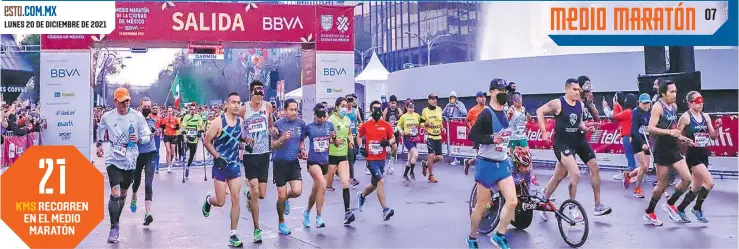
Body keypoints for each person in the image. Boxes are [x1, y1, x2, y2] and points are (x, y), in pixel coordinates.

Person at [536, 78, 612, 220]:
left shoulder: (580, 105)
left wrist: (587, 128)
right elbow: (540, 111)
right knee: (574, 173)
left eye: (578, 90)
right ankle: (571, 206)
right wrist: (544, 131)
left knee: (591, 167)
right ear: (567, 89)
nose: (577, 92)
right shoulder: (558, 103)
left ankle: (597, 205)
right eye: (574, 90)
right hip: (563, 144)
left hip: (578, 141)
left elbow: (579, 124)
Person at [465, 79, 517, 249]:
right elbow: (472, 135)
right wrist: (490, 139)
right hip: (486, 164)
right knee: (481, 207)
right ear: (492, 92)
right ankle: (472, 237)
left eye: (506, 91)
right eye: (501, 90)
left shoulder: (505, 111)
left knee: (512, 202)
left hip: (502, 163)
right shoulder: (486, 113)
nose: (505, 93)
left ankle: (499, 236)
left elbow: (505, 134)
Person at [96, 87, 151, 243]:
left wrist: (139, 139)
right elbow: (101, 129)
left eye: (127, 101)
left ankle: (117, 221)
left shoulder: (137, 117)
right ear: (115, 102)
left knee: (123, 194)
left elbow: (147, 135)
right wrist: (99, 144)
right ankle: (113, 228)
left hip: (130, 159)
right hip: (113, 158)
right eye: (121, 102)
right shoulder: (108, 116)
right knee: (115, 193)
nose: (124, 104)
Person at [643, 79, 694, 226]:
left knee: (687, 179)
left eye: (676, 91)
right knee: (662, 185)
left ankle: (670, 204)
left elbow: (674, 129)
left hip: (673, 148)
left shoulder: (674, 106)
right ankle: (649, 212)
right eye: (671, 92)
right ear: (663, 93)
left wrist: (682, 138)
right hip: (661, 149)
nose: (674, 94)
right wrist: (669, 132)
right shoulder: (657, 107)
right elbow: (651, 129)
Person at [201, 92, 245, 247]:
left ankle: (233, 234)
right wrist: (216, 156)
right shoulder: (217, 122)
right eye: (233, 102)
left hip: (234, 165)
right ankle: (208, 200)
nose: (236, 105)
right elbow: (207, 142)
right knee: (220, 202)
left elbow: (238, 141)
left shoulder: (240, 122)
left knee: (236, 198)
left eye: (238, 102)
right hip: (220, 166)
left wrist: (245, 145)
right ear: (227, 104)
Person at [673, 91, 718, 223]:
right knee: (710, 182)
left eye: (701, 101)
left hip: (703, 153)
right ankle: (697, 208)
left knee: (696, 187)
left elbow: (713, 136)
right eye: (697, 102)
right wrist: (686, 141)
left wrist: (718, 128)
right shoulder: (686, 117)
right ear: (690, 103)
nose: (700, 104)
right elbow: (677, 136)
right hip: (693, 155)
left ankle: (681, 208)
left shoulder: (706, 117)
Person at [239, 80, 274, 243]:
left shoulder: (267, 107)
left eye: (262, 92)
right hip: (250, 154)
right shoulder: (243, 109)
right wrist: (243, 140)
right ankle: (256, 229)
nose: (259, 96)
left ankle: (248, 194)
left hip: (264, 154)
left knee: (261, 194)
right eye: (256, 92)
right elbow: (236, 129)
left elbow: (270, 126)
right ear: (251, 93)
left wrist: (274, 131)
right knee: (254, 188)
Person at [271, 98, 307, 235]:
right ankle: (281, 222)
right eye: (291, 110)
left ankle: (286, 200)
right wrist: (282, 139)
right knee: (281, 195)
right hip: (279, 163)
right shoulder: (278, 124)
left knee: (297, 191)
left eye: (295, 109)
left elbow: (301, 140)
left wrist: (302, 150)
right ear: (284, 110)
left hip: (293, 162)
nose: (294, 112)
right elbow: (272, 145)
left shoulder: (301, 124)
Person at [356, 100, 396, 221]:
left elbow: (393, 137)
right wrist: (361, 147)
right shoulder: (366, 125)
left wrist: (388, 142)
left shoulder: (386, 125)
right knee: (381, 181)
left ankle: (362, 196)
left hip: (381, 159)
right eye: (375, 109)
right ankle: (385, 209)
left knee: (374, 185)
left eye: (379, 109)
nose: (378, 111)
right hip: (371, 159)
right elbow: (358, 136)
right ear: (371, 110)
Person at [302, 104, 338, 228]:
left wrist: (335, 139)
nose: (322, 119)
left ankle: (306, 212)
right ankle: (319, 217)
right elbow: (301, 140)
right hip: (313, 161)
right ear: (315, 116)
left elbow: (335, 143)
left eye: (324, 116)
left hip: (325, 161)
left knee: (315, 190)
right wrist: (302, 149)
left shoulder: (330, 125)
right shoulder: (309, 127)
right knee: (322, 184)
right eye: (320, 117)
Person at [325, 97, 357, 224]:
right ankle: (314, 211)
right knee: (325, 186)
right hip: (331, 156)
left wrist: (351, 140)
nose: (344, 108)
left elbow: (349, 132)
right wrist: (334, 141)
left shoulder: (347, 119)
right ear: (337, 107)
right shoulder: (331, 120)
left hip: (343, 156)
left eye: (346, 105)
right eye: (342, 106)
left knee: (345, 182)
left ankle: (347, 212)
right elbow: (326, 136)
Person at [129, 97, 158, 226]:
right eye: (145, 106)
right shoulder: (135, 121)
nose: (147, 108)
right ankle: (134, 194)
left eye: (149, 106)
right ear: (140, 106)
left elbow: (156, 131)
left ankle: (148, 214)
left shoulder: (152, 120)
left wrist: (154, 133)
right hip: (138, 155)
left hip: (151, 153)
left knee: (148, 183)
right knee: (137, 181)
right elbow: (131, 136)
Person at [623, 94, 653, 198]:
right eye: (644, 103)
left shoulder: (651, 112)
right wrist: (642, 143)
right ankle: (637, 189)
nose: (646, 105)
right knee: (644, 165)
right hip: (637, 141)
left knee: (645, 168)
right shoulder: (636, 112)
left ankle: (629, 175)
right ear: (639, 103)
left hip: (646, 141)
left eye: (647, 103)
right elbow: (634, 131)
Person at [506, 92, 537, 185]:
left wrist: (526, 122)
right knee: (513, 157)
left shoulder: (523, 109)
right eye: (518, 101)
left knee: (528, 156)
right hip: (513, 137)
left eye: (521, 101)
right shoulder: (511, 109)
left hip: (522, 137)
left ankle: (532, 176)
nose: (520, 103)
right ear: (514, 102)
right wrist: (509, 115)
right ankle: (512, 176)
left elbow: (529, 118)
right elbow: (506, 120)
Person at [420, 94, 444, 183]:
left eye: (436, 99)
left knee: (439, 157)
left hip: (438, 135)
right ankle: (431, 175)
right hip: (430, 135)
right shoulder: (425, 111)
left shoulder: (439, 109)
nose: (435, 101)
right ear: (429, 100)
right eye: (433, 99)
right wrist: (426, 124)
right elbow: (421, 123)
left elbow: (440, 120)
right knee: (431, 155)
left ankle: (425, 164)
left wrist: (442, 127)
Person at [397, 99, 421, 182]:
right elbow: (398, 126)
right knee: (416, 154)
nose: (411, 109)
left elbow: (421, 123)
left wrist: (426, 124)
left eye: (412, 108)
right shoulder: (404, 116)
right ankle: (411, 172)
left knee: (410, 158)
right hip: (407, 138)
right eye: (409, 107)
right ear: (406, 107)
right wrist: (401, 131)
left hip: (414, 138)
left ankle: (404, 175)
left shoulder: (417, 115)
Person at [463, 91, 487, 172]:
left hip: (487, 135)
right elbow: (466, 121)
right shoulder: (473, 110)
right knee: (481, 154)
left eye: (484, 97)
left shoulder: (488, 109)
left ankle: (469, 162)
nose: (483, 99)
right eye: (481, 97)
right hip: (477, 135)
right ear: (477, 99)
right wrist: (471, 129)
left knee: (485, 154)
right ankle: (482, 171)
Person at [182, 103, 205, 179]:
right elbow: (183, 127)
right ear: (189, 110)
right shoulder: (186, 117)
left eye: (194, 109)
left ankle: (188, 166)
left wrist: (202, 135)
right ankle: (184, 158)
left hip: (194, 139)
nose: (192, 111)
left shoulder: (198, 117)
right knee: (186, 151)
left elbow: (201, 126)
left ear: (196, 110)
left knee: (192, 155)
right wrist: (185, 137)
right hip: (188, 137)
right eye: (191, 109)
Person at [382, 95, 402, 174]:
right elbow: (383, 121)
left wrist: (396, 122)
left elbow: (401, 120)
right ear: (389, 103)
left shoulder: (399, 110)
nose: (393, 104)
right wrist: (388, 124)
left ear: (396, 103)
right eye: (391, 103)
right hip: (388, 133)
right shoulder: (386, 110)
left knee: (395, 149)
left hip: (396, 133)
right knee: (383, 149)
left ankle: (390, 164)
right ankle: (382, 165)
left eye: (394, 103)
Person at [346, 93, 362, 186]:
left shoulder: (355, 111)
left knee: (354, 155)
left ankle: (345, 170)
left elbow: (360, 121)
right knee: (351, 156)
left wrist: (359, 128)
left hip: (355, 136)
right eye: (348, 101)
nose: (350, 103)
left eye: (351, 101)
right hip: (347, 137)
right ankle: (352, 177)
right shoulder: (343, 112)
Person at [159, 107, 180, 173]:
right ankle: (168, 166)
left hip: (173, 136)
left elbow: (177, 128)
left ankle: (171, 161)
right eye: (168, 111)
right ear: (167, 112)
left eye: (171, 111)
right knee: (168, 151)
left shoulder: (175, 119)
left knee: (172, 152)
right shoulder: (164, 119)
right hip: (166, 136)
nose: (170, 112)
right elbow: (162, 127)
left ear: (172, 112)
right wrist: (162, 130)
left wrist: (174, 127)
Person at [149, 106, 162, 173]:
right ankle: (151, 166)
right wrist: (154, 131)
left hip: (157, 137)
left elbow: (162, 126)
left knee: (157, 151)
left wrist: (159, 130)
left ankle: (157, 166)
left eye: (156, 108)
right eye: (153, 108)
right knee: (150, 151)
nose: (155, 109)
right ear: (151, 109)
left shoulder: (160, 117)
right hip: (150, 136)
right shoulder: (149, 116)